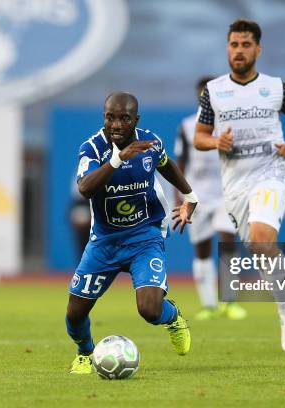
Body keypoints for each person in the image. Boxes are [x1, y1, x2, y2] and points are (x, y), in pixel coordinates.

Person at [193, 19, 285, 352]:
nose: (239, 51)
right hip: (234, 185)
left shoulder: (277, 88)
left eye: (246, 45)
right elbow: (199, 137)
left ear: (258, 49)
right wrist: (216, 142)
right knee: (262, 254)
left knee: (263, 239)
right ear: (227, 48)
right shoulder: (214, 92)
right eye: (234, 44)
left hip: (271, 173)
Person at [66, 91, 197, 374]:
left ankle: (172, 317)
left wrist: (191, 195)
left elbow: (167, 165)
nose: (115, 124)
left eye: (123, 118)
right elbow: (85, 188)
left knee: (150, 310)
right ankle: (85, 352)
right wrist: (116, 160)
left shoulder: (149, 143)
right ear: (103, 118)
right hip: (105, 242)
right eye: (109, 117)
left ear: (135, 120)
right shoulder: (91, 149)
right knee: (74, 314)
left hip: (144, 236)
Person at [174, 76, 247, 321]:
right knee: (202, 248)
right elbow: (180, 164)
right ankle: (208, 305)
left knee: (228, 241)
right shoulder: (186, 126)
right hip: (198, 195)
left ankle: (230, 301)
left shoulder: (231, 125)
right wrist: (180, 198)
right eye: (202, 93)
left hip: (227, 193)